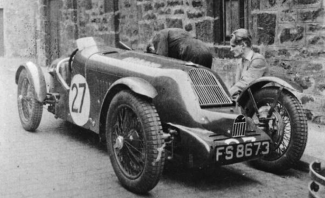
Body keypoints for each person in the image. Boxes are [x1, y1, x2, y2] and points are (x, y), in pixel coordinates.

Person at [229, 29, 269, 98]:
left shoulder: (258, 60)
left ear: (243, 45)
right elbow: (236, 85)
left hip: (261, 105)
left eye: (233, 46)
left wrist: (226, 94)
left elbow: (245, 84)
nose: (231, 49)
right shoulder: (240, 62)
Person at [147, 28, 213, 69]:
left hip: (192, 52)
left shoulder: (158, 36)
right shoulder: (174, 31)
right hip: (206, 50)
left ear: (150, 47)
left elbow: (162, 59)